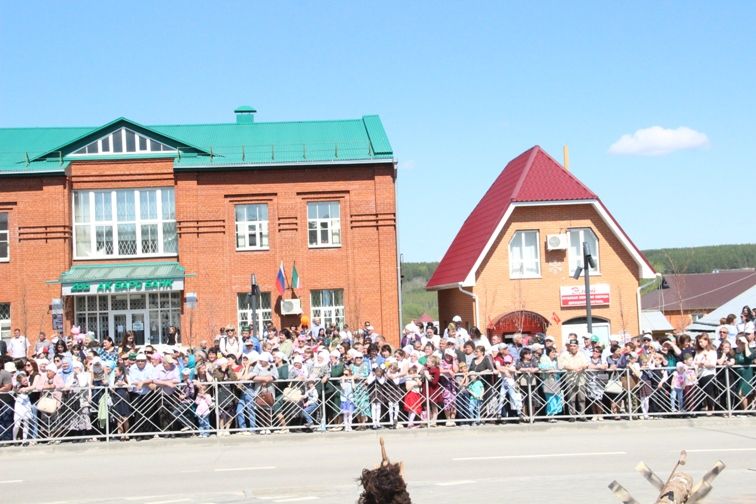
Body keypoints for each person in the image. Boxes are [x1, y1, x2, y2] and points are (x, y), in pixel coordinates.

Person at [559, 338, 589, 420]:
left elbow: (586, 364)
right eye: (571, 346)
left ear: (577, 347)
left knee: (582, 398)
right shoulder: (565, 354)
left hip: (581, 379)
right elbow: (562, 365)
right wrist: (572, 368)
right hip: (570, 379)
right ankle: (572, 416)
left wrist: (582, 367)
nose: (572, 347)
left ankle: (582, 415)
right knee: (571, 399)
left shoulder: (581, 354)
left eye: (574, 346)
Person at [693, 334, 717, 415]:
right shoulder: (698, 352)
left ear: (707, 341)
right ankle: (700, 408)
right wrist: (697, 364)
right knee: (700, 392)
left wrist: (704, 364)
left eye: (702, 342)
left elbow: (713, 364)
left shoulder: (712, 352)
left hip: (708, 373)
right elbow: (694, 362)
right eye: (699, 342)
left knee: (709, 392)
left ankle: (711, 408)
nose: (700, 344)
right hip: (699, 374)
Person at [733, 336, 755, 411]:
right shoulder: (735, 351)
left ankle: (745, 411)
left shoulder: (751, 350)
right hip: (738, 374)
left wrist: (746, 345)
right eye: (738, 342)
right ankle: (745, 410)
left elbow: (749, 357)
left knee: (742, 393)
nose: (739, 343)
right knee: (741, 393)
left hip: (747, 373)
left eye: (741, 342)